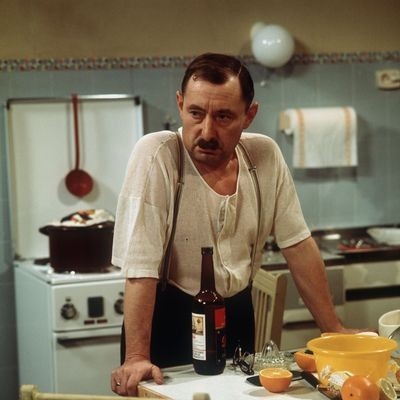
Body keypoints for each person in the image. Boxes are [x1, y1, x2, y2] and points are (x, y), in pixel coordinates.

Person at [110, 52, 359, 396]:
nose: (207, 131)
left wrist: (333, 330)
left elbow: (298, 244)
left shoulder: (264, 156)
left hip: (238, 315)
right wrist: (137, 356)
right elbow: (141, 265)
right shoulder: (157, 155)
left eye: (224, 116)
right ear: (180, 105)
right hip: (169, 322)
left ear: (249, 115)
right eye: (196, 113)